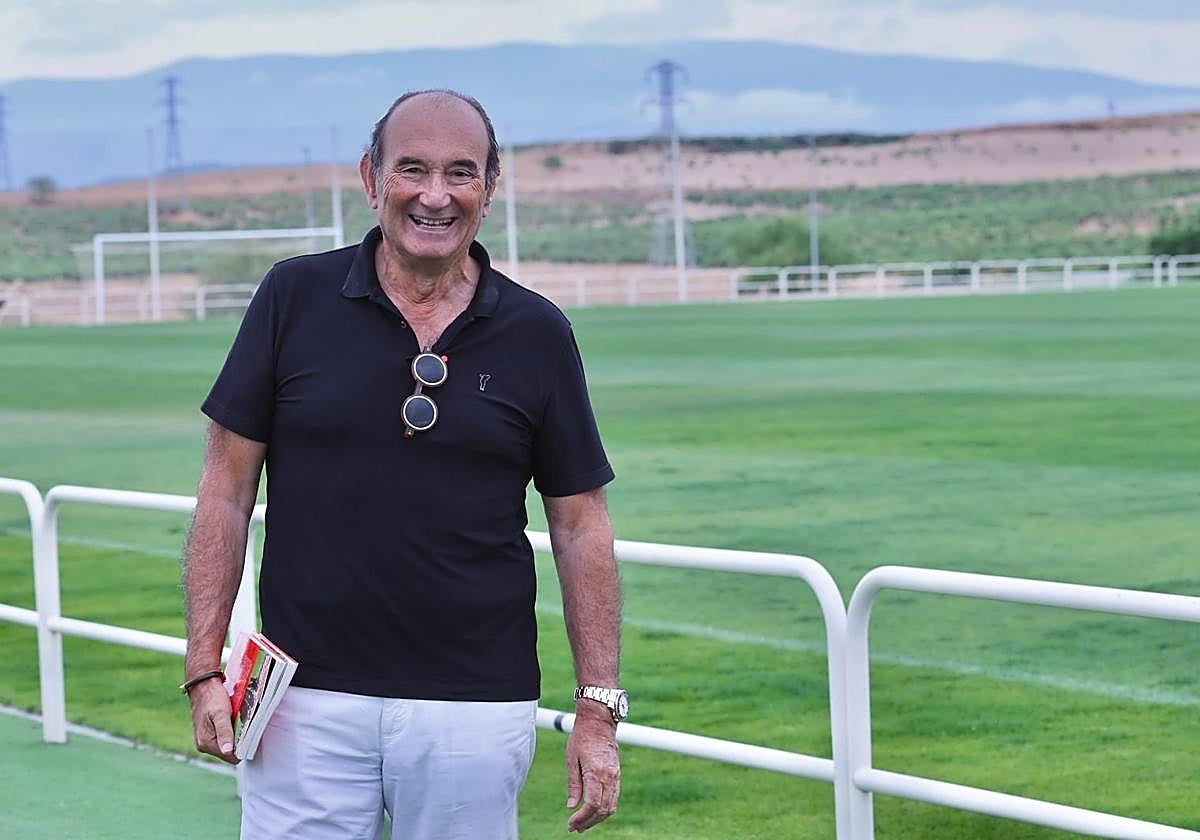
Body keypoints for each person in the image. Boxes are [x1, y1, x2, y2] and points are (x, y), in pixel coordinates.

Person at [181, 89, 625, 838]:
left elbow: (581, 526)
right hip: (297, 701)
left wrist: (597, 708)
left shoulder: (539, 332)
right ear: (370, 177)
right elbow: (224, 489)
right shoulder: (292, 298)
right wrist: (203, 667)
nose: (435, 195)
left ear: (491, 188)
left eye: (461, 172)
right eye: (412, 169)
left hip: (476, 708)